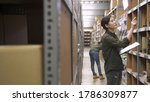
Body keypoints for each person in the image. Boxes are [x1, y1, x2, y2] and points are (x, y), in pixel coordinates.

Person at [100, 15, 137, 85]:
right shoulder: (107, 37)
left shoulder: (113, 35)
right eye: (112, 21)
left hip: (116, 68)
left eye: (114, 20)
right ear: (107, 25)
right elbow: (123, 44)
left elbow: (121, 46)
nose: (115, 22)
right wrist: (132, 27)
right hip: (113, 69)